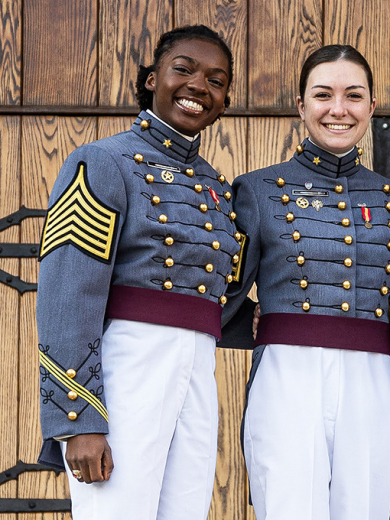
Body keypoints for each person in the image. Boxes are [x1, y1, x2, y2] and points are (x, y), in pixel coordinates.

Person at [36, 25, 240, 520]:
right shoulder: (100, 161)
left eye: (215, 80)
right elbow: (66, 296)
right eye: (184, 69)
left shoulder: (215, 184)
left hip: (198, 372)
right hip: (127, 370)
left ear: (224, 100)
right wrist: (78, 417)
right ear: (152, 79)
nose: (198, 86)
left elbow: (213, 295)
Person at [221, 45, 390, 520]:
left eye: (354, 96)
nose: (338, 109)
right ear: (301, 104)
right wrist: (260, 325)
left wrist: (375, 371)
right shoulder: (258, 190)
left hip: (373, 380)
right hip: (286, 378)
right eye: (323, 94)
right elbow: (219, 294)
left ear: (372, 107)